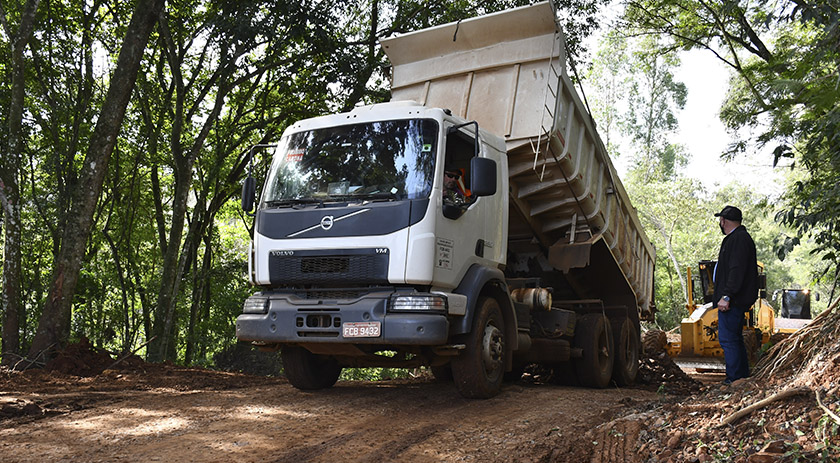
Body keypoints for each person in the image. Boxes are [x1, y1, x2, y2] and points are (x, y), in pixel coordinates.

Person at [713, 205, 759, 385]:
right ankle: (741, 378)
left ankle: (734, 379)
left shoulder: (738, 239)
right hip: (735, 298)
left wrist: (726, 296)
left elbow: (736, 270)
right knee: (735, 339)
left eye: (720, 220)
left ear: (723, 220)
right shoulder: (738, 238)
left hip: (733, 300)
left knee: (728, 339)